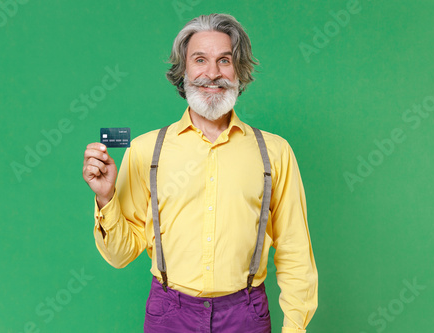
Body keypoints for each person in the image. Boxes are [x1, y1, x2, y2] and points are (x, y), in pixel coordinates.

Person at [83, 13, 318, 333]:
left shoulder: (274, 152)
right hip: (169, 314)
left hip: (246, 314)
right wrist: (106, 196)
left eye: (224, 60)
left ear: (239, 71)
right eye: (200, 60)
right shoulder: (144, 150)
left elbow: (295, 250)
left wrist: (295, 327)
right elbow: (120, 255)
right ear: (183, 72)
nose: (212, 73)